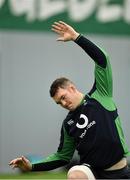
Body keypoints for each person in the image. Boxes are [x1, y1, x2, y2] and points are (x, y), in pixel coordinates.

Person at [9, 21, 130, 179]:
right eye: (59, 103)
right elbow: (62, 157)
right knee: (74, 174)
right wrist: (31, 166)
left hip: (120, 171)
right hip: (92, 172)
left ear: (72, 88)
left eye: (63, 97)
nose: (63, 104)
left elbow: (102, 59)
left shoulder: (100, 94)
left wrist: (76, 37)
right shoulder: (68, 124)